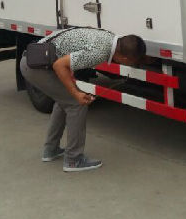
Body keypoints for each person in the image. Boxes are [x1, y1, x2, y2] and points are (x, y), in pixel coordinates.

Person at [20, 28, 145, 172]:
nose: (129, 65)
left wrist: (73, 90)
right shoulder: (100, 52)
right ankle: (73, 160)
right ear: (124, 59)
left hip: (35, 59)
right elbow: (59, 65)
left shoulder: (109, 38)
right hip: (36, 66)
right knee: (76, 104)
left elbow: (64, 61)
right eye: (131, 63)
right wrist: (76, 93)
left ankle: (51, 150)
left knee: (65, 100)